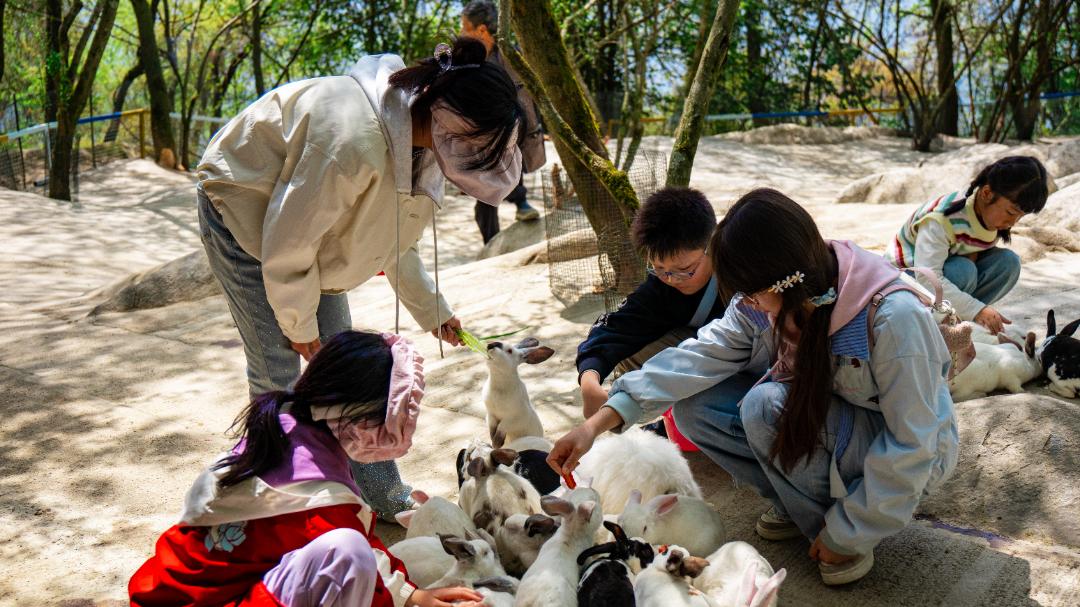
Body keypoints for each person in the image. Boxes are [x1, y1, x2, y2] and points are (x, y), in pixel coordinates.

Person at [549, 188, 959, 586]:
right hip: (831, 423)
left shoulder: (892, 317)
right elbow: (695, 356)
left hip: (901, 446)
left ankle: (842, 531)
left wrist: (850, 532)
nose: (745, 302)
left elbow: (914, 442)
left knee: (763, 405)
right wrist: (595, 426)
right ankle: (804, 512)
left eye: (750, 291)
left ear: (781, 280)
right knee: (696, 408)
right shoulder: (762, 302)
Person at [195, 37, 523, 520]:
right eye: (476, 144)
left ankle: (381, 493)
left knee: (347, 370)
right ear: (452, 123)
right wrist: (300, 328)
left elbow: (392, 240)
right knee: (279, 373)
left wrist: (433, 311)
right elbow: (289, 244)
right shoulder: (351, 142)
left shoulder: (421, 138)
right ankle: (266, 497)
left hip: (304, 235)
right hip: (245, 212)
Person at [129, 331, 485, 607]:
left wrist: (407, 594)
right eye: (392, 416)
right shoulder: (315, 498)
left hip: (177, 594)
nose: (402, 428)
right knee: (346, 554)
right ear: (354, 418)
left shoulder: (285, 426)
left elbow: (347, 529)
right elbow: (349, 547)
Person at [576, 187, 725, 422]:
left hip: (746, 357)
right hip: (706, 348)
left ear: (711, 246)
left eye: (685, 270)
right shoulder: (662, 285)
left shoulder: (740, 273)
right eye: (659, 268)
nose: (672, 279)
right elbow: (615, 328)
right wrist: (589, 379)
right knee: (629, 352)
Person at [888, 155, 1049, 335]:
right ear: (987, 193)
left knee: (1009, 263)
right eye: (1011, 212)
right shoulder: (942, 218)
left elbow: (973, 250)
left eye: (1020, 216)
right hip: (906, 282)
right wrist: (977, 309)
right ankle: (934, 322)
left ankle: (955, 319)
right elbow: (927, 278)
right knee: (964, 270)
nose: (1013, 222)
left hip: (945, 277)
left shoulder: (988, 215)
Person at [461, 0, 546, 244]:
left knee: (503, 162)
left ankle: (520, 200)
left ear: (482, 31)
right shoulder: (469, 59)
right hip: (480, 137)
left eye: (464, 28)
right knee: (485, 199)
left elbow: (524, 98)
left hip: (508, 131)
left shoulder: (510, 54)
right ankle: (492, 243)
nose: (461, 33)